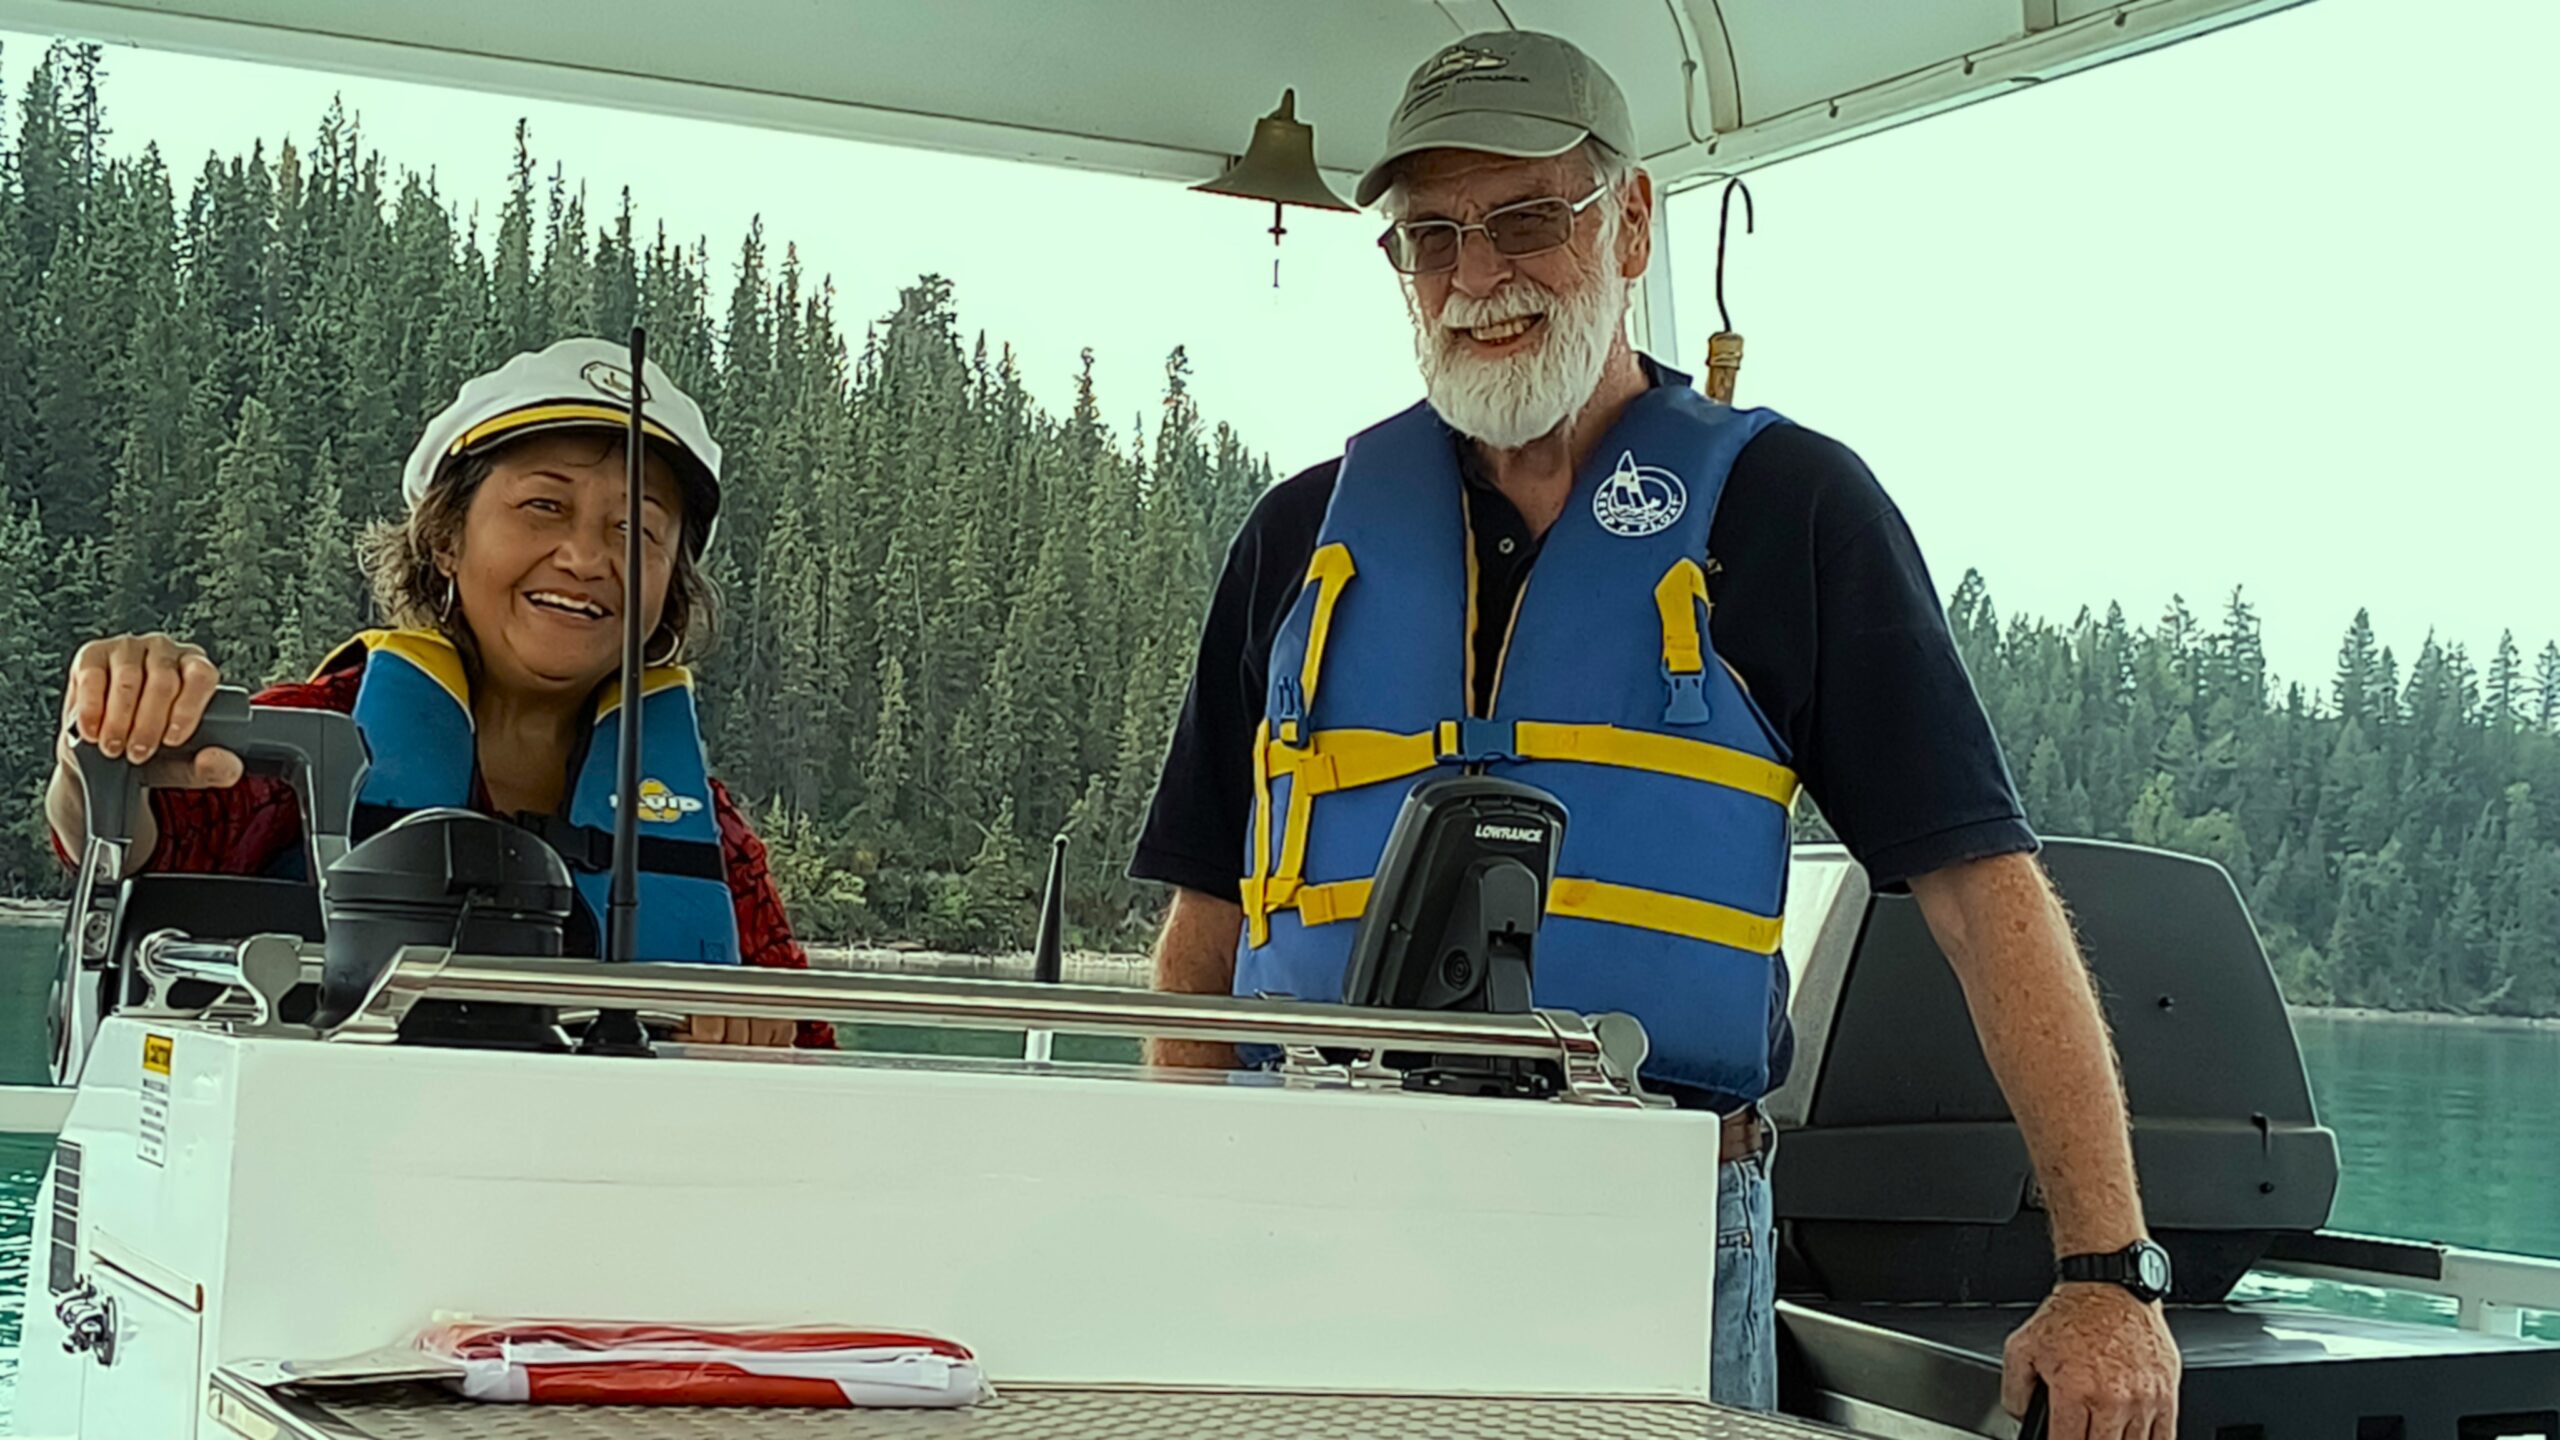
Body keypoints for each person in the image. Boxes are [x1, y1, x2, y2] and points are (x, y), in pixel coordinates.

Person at [1130, 28, 2179, 1430]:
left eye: (1523, 220)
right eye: (1429, 238)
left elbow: (1984, 898)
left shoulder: (1793, 513)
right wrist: (1162, 1224)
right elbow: (1202, 943)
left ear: (1629, 222)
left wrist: (2109, 1271)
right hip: (1314, 1222)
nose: (1477, 277)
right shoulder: (1295, 541)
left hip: (1656, 1237)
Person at [46, 337, 830, 1049]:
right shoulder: (308, 740)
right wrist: (109, 730)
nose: (588, 557)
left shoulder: (711, 832)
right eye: (544, 506)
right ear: (446, 539)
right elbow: (120, 835)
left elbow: (810, 1052)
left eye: (638, 529)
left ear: (671, 585)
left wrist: (762, 1035)